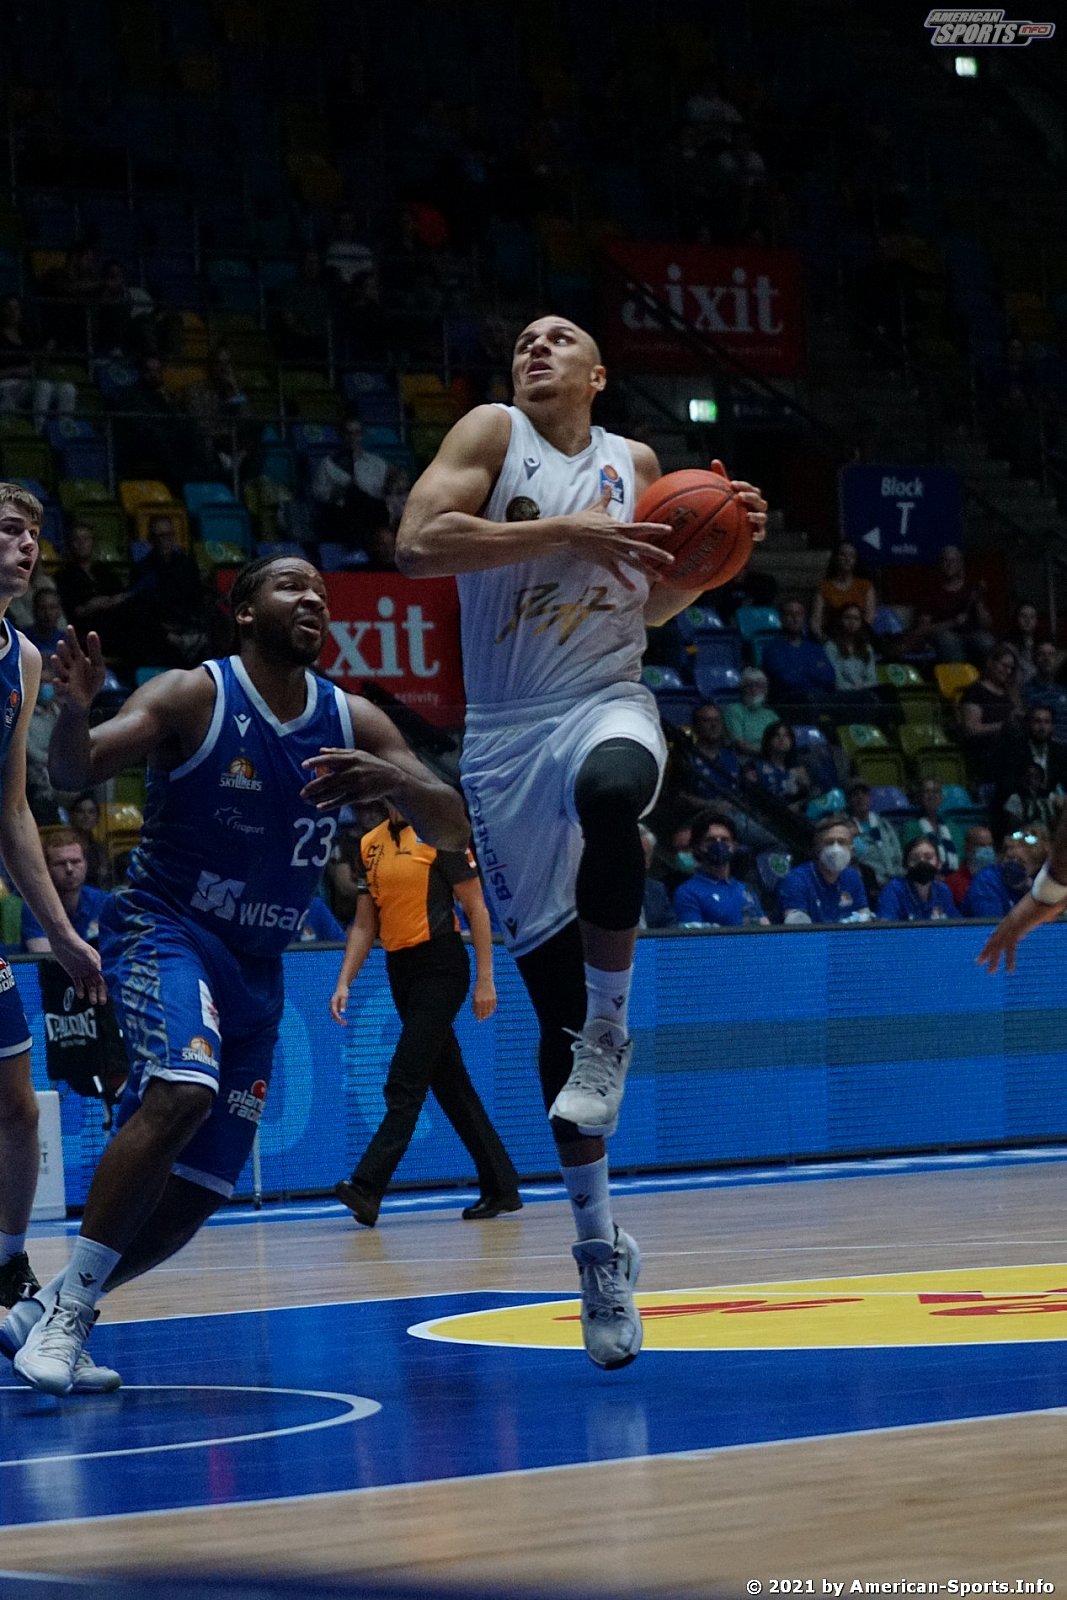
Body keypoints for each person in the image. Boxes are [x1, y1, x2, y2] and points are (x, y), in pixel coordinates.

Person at [394, 311, 766, 1369]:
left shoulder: (636, 464)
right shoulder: (488, 434)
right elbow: (419, 545)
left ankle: (615, 1030)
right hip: (504, 741)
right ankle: (599, 1247)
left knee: (616, 792)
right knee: (549, 1034)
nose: (536, 344)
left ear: (599, 375)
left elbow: (647, 608)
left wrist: (717, 548)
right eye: (524, 336)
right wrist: (563, 533)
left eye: (561, 337)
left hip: (602, 700)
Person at [4, 552, 468, 1395]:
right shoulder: (196, 693)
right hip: (165, 929)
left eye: (322, 594)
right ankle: (70, 1314)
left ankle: (51, 1311)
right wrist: (72, 713)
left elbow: (450, 824)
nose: (314, 601)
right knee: (181, 1090)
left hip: (258, 966)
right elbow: (76, 770)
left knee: (201, 1190)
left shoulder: (352, 718)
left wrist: (395, 778)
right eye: (292, 587)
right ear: (244, 613)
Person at [0, 485, 104, 1322]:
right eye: (9, 529)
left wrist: (62, 933)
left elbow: (13, 811)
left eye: (35, 533)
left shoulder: (25, 659)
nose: (27, 545)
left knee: (16, 1105)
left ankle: (7, 1276)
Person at [331, 802, 521, 1225]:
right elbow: (365, 924)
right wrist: (345, 980)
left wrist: (486, 979)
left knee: (405, 1079)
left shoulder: (442, 836)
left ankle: (367, 1186)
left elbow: (476, 908)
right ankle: (502, 1185)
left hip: (442, 965)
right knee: (451, 1084)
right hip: (401, 971)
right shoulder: (369, 844)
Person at [671, 810, 766, 927]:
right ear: (697, 847)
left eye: (725, 840)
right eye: (710, 840)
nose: (719, 845)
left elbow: (763, 927)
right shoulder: (688, 892)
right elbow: (694, 940)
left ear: (734, 846)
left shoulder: (744, 890)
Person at [22, 828, 110, 952]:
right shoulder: (35, 906)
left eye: (75, 861)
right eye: (60, 863)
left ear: (86, 864)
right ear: (46, 868)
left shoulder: (104, 901)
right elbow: (43, 957)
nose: (69, 869)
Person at [777, 815, 871, 924]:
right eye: (829, 842)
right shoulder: (796, 880)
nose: (836, 849)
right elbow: (797, 931)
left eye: (842, 842)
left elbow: (865, 919)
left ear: (852, 850)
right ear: (818, 848)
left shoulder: (852, 877)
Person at [958, 645, 1023, 783]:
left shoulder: (1010, 694)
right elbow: (971, 729)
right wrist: (1003, 726)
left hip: (1011, 751)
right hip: (985, 753)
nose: (1008, 671)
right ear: (991, 663)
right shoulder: (975, 692)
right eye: (1004, 665)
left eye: (1011, 668)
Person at [761, 598, 836, 712]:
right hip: (789, 704)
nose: (795, 618)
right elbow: (788, 680)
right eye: (789, 614)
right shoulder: (772, 649)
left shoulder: (814, 647)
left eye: (799, 614)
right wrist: (814, 670)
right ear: (781, 618)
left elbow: (829, 676)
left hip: (820, 699)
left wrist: (801, 670)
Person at [965, 828, 1048, 919]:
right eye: (1009, 858)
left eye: (1021, 862)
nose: (1013, 864)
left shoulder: (1039, 883)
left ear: (1036, 867)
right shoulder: (986, 881)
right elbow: (992, 925)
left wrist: (1030, 891)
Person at [876, 836, 959, 921]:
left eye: (928, 858)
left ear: (939, 863)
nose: (922, 862)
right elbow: (885, 927)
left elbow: (956, 926)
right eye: (915, 859)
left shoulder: (943, 891)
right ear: (905, 864)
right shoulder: (894, 889)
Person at [810, 543, 876, 640]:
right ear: (835, 558)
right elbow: (816, 619)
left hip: (859, 636)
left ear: (856, 560)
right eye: (843, 555)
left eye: (851, 556)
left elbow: (869, 617)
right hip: (832, 635)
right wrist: (823, 639)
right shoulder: (824, 587)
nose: (847, 559)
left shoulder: (865, 586)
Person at [845, 779, 903, 889]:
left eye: (864, 793)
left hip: (896, 881)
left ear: (870, 798)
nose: (860, 797)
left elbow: (898, 852)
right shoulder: (847, 830)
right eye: (855, 794)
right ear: (848, 800)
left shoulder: (884, 825)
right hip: (870, 886)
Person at [901, 777, 961, 873]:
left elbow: (961, 856)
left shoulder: (952, 827)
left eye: (936, 791)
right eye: (927, 792)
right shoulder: (911, 827)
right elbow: (912, 862)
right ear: (919, 797)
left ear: (941, 797)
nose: (932, 795)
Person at [748, 720, 811, 810]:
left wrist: (805, 785)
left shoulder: (800, 768)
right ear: (768, 740)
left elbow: (808, 798)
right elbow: (752, 798)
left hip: (797, 817)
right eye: (776, 735)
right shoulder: (755, 767)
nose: (781, 739)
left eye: (786, 735)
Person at [721, 667, 778, 758]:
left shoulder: (771, 715)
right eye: (748, 685)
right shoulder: (733, 710)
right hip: (745, 761)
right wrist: (771, 752)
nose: (753, 689)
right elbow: (740, 746)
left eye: (758, 685)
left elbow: (779, 741)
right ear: (742, 689)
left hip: (770, 759)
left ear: (766, 690)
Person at [1024, 639, 1067, 741]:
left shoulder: (1064, 689)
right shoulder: (1027, 690)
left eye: (1051, 654)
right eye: (1042, 654)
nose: (1046, 658)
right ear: (1035, 659)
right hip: (1045, 748)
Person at [945, 824, 996, 909]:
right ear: (967, 848)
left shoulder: (999, 879)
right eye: (982, 845)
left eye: (990, 845)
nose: (987, 850)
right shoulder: (952, 883)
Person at [638, 824, 676, 930]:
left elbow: (670, 929)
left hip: (652, 946)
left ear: (648, 861)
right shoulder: (599, 892)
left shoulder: (656, 890)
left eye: (641, 854)